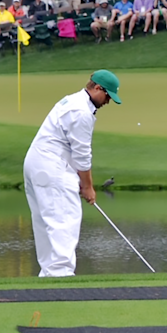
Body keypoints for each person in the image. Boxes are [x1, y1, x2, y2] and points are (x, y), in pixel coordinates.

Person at [22, 70, 122, 276]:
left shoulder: (71, 100)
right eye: (107, 96)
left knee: (44, 221)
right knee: (64, 219)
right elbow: (82, 154)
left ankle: (49, 273)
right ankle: (60, 274)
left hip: (37, 163)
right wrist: (88, 187)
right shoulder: (81, 112)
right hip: (51, 166)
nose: (108, 102)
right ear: (96, 88)